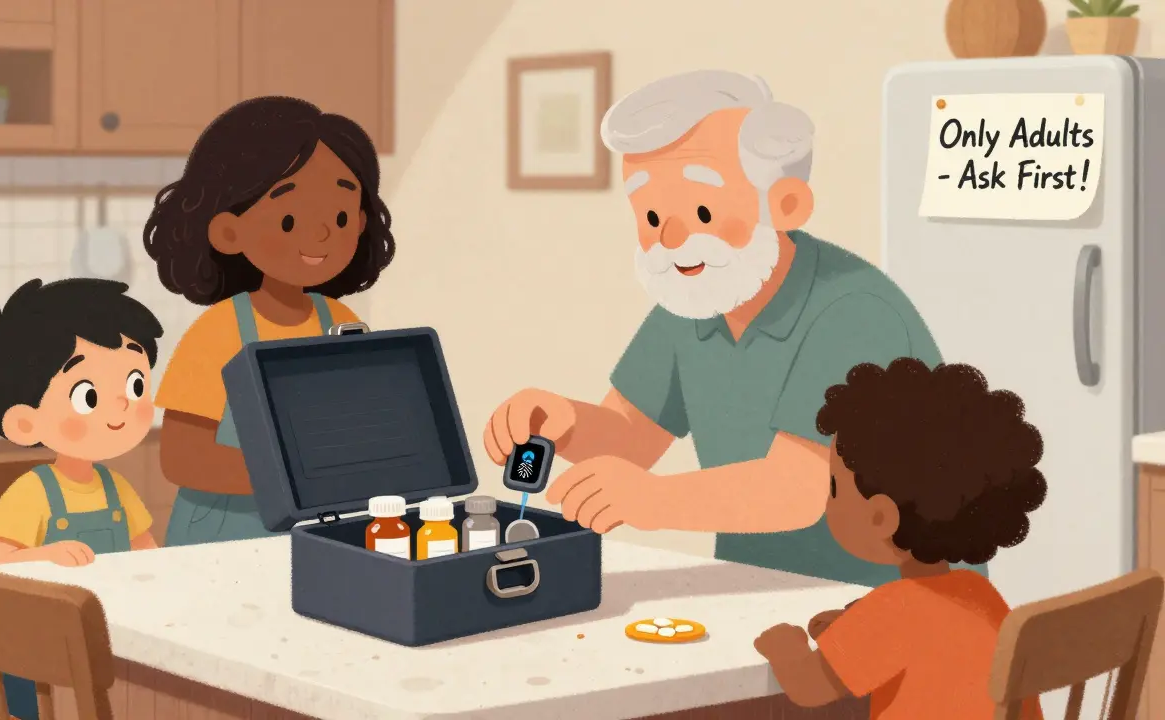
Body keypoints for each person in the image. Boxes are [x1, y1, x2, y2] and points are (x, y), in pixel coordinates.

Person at [485, 69, 981, 586]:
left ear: (786, 204)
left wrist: (652, 500)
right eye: (652, 216)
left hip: (897, 604)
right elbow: (632, 438)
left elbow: (798, 488)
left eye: (701, 209)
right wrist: (564, 423)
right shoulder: (691, 304)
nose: (671, 237)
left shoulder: (854, 310)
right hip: (760, 588)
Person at [145, 96, 396, 546]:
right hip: (221, 539)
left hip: (319, 533)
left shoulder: (342, 322)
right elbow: (182, 458)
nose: (320, 235)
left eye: (339, 217)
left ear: (359, 224)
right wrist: (299, 476)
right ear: (228, 230)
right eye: (289, 219)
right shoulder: (217, 333)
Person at [753, 358, 1046, 719]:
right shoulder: (977, 592)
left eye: (835, 487)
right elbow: (922, 637)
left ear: (880, 518)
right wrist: (854, 630)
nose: (829, 499)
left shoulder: (895, 610)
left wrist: (786, 644)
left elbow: (809, 686)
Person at [0, 278, 163, 720]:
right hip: (37, 649)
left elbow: (148, 555)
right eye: (88, 396)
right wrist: (44, 556)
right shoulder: (32, 493)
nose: (121, 408)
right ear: (24, 422)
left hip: (110, 637)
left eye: (135, 386)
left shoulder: (117, 489)